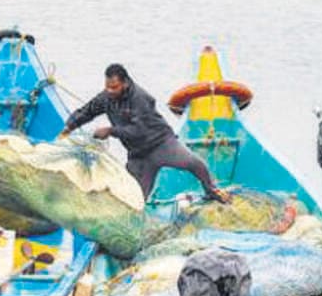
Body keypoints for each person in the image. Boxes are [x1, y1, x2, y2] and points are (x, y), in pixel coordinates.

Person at [59, 63, 229, 202]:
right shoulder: (106, 98)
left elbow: (138, 131)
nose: (110, 91)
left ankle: (212, 190)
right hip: (139, 156)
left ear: (125, 83)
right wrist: (69, 126)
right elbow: (88, 110)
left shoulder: (140, 98)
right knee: (133, 197)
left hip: (162, 144)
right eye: (107, 87)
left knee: (194, 163)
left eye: (114, 87)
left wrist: (111, 130)